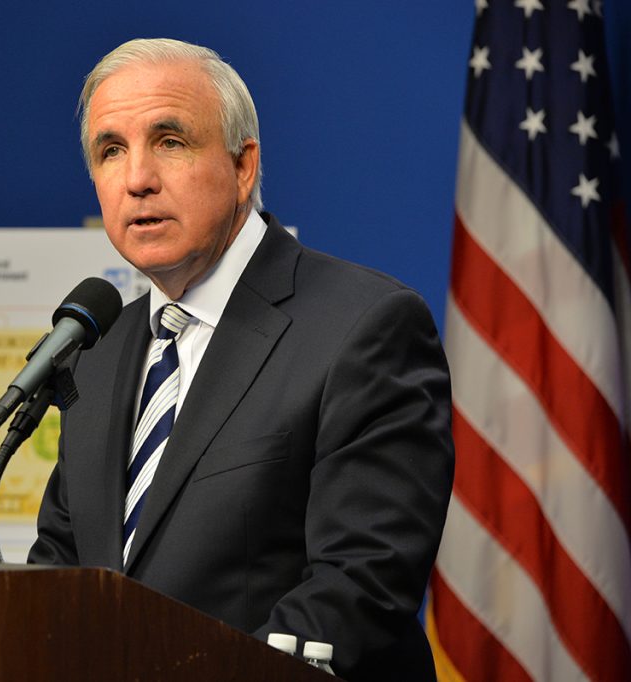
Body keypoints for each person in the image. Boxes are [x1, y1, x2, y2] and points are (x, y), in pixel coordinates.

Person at [28, 38, 454, 682]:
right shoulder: (96, 351)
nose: (137, 178)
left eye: (170, 141)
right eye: (110, 150)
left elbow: (360, 585)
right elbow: (62, 568)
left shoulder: (364, 325)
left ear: (243, 166)